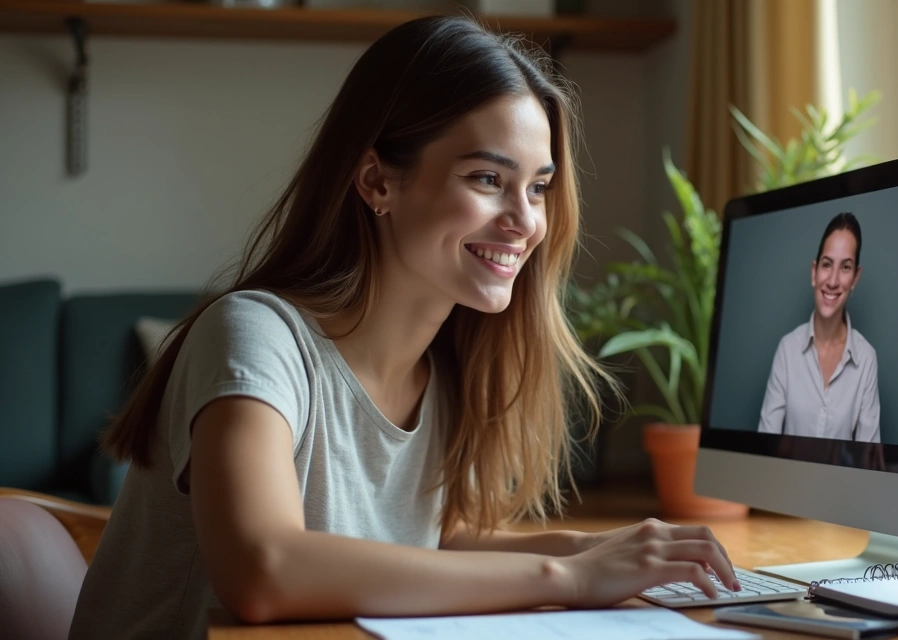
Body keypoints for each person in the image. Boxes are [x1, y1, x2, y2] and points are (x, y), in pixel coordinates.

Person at [67, 16, 740, 640]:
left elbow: (429, 542)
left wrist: (594, 548)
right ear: (376, 182)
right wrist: (570, 577)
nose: (525, 220)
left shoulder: (447, 369)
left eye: (537, 187)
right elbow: (264, 570)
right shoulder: (255, 335)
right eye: (487, 178)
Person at [757, 213, 880, 442]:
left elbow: (869, 464)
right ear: (814, 272)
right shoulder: (788, 349)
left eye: (845, 267)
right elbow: (765, 445)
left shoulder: (866, 359)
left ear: (855, 278)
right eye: (827, 264)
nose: (832, 280)